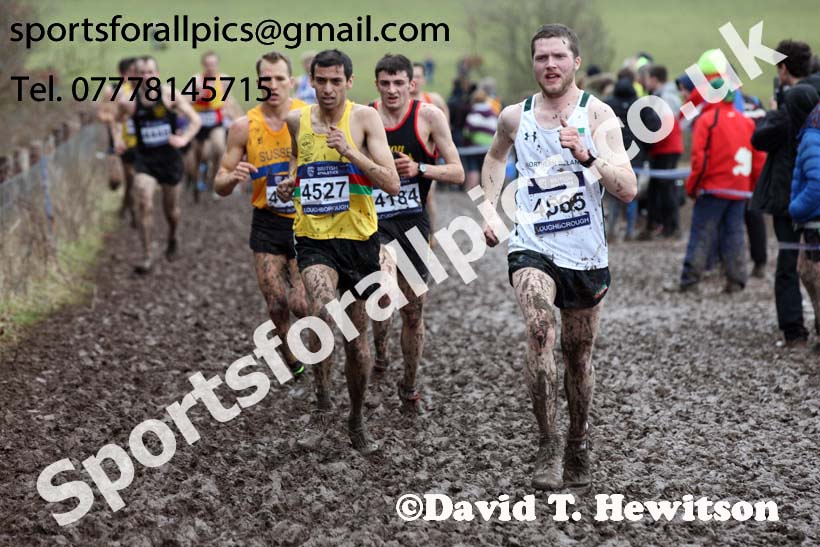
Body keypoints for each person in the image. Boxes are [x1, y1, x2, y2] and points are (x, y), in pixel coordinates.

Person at [482, 24, 637, 491]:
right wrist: (490, 210)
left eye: (558, 57)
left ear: (574, 62)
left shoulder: (600, 114)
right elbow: (492, 159)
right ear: (534, 64)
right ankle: (547, 444)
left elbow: (627, 189)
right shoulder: (515, 116)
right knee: (539, 330)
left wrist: (588, 155)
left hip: (585, 253)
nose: (549, 65)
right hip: (533, 243)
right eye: (541, 57)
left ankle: (578, 439)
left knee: (578, 355)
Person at [276, 49, 400, 453]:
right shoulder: (297, 121)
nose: (328, 88)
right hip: (314, 239)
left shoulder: (365, 119)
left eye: (336, 81)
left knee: (355, 338)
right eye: (321, 80)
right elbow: (300, 165)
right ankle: (322, 404)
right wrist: (289, 182)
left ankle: (356, 417)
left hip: (359, 240)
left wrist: (349, 151)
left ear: (349, 82)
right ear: (310, 81)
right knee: (323, 310)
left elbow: (392, 182)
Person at [368, 54, 464, 413]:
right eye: (385, 83)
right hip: (374, 222)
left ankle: (408, 382)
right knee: (382, 287)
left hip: (412, 219)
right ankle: (380, 349)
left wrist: (420, 168)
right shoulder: (365, 117)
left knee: (413, 309)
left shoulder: (429, 117)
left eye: (399, 83)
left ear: (411, 83)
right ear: (376, 84)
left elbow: (456, 172)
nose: (392, 90)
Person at [214, 52, 308, 376]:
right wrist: (232, 177)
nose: (273, 84)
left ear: (291, 82)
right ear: (258, 83)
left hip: (305, 220)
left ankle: (322, 351)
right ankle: (290, 356)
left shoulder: (309, 117)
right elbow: (219, 183)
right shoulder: (243, 127)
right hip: (266, 222)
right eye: (266, 79)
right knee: (277, 303)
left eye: (279, 78)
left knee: (301, 304)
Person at [751, 39, 820, 347]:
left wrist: (774, 111)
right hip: (811, 192)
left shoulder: (793, 104)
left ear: (783, 68)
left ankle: (794, 330)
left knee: (789, 263)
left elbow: (761, 138)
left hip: (789, 194)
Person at [672, 79, 765, 292]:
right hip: (740, 189)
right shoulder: (747, 122)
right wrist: (752, 188)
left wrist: (692, 187)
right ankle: (736, 280)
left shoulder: (707, 121)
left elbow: (699, 159)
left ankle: (690, 280)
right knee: (735, 234)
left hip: (713, 188)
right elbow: (757, 160)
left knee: (702, 233)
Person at [112, 56, 202, 274]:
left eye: (151, 72)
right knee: (144, 201)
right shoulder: (130, 101)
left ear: (157, 74)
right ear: (137, 76)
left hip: (170, 160)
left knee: (171, 211)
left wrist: (184, 139)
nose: (147, 77)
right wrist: (118, 139)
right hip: (145, 161)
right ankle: (147, 255)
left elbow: (195, 120)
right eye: (143, 73)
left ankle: (172, 236)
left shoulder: (170, 95)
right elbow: (116, 120)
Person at [603, 74, 660, 242]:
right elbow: (655, 127)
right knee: (631, 194)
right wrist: (646, 147)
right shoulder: (641, 105)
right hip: (636, 157)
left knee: (613, 193)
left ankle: (612, 231)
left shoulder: (607, 105)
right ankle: (629, 230)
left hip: (612, 156)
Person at [189, 51, 243, 201]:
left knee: (219, 147)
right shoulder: (196, 80)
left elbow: (228, 100)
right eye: (208, 64)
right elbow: (185, 100)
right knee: (200, 156)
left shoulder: (223, 80)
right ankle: (195, 181)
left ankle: (214, 181)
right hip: (199, 123)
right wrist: (196, 96)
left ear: (217, 64)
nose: (211, 67)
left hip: (215, 122)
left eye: (213, 64)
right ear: (203, 65)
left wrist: (236, 115)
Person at [789, 101, 820, 353]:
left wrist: (795, 208)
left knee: (811, 274)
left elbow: (816, 184)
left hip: (813, 221)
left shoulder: (811, 137)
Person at [641, 64, 684, 239]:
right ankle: (661, 225)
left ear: (654, 79)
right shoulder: (661, 96)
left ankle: (672, 227)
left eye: (647, 78)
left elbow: (664, 125)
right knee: (660, 188)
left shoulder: (665, 97)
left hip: (667, 148)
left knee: (667, 189)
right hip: (664, 148)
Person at [463, 87, 499, 191]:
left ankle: (473, 191)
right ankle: (488, 191)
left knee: (473, 168)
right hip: (488, 146)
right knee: (486, 169)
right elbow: (495, 128)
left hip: (473, 147)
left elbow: (468, 131)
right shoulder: (492, 112)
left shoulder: (474, 112)